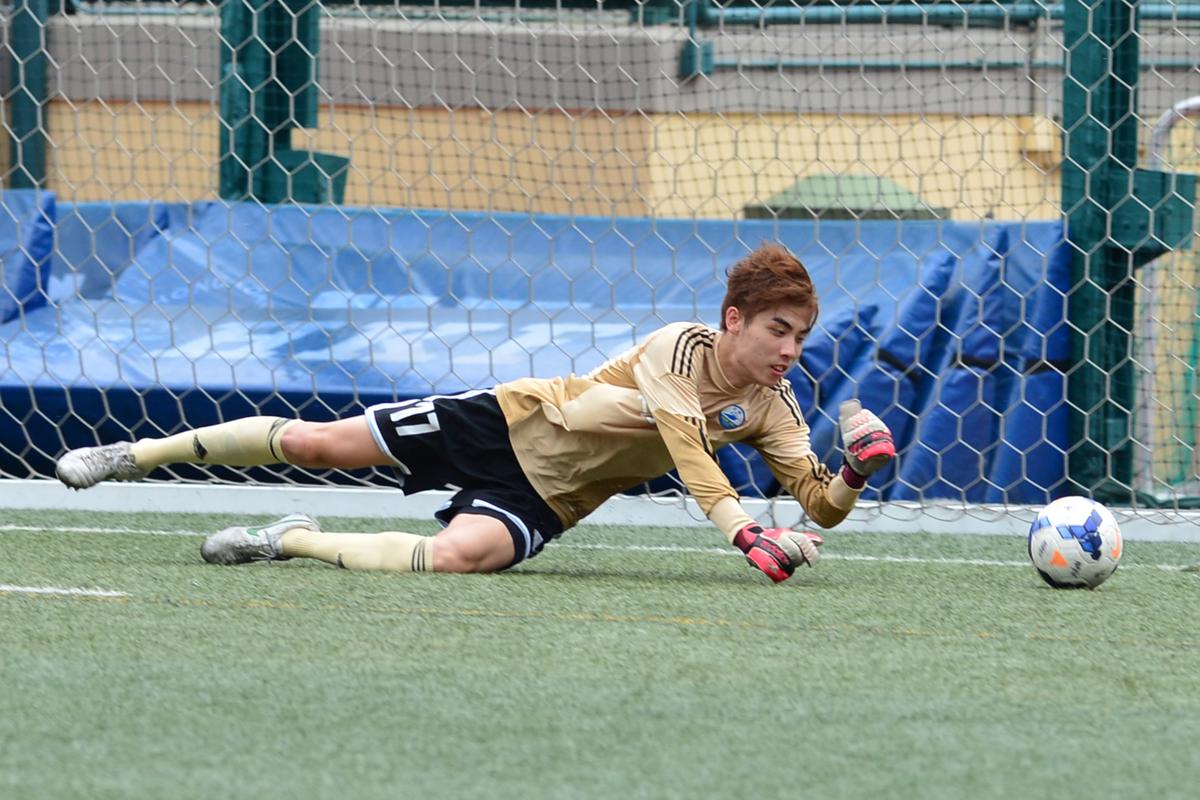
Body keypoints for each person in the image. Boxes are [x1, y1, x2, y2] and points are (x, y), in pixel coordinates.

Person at [55, 243, 895, 583]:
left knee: (460, 559)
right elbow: (689, 451)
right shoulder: (679, 348)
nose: (790, 350)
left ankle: (286, 539)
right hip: (509, 421)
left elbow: (818, 502)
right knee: (318, 444)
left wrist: (853, 471)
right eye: (778, 331)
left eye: (802, 337)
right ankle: (138, 454)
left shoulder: (775, 403)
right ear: (734, 320)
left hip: (553, 497)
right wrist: (748, 538)